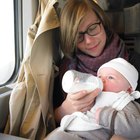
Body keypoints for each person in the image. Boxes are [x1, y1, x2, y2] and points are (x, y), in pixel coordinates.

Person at [47, 0, 140, 139]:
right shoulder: (65, 69)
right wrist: (65, 110)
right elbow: (53, 118)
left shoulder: (132, 62)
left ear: (102, 23)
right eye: (79, 36)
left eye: (92, 28)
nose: (88, 40)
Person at [46, 58, 140, 140]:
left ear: (129, 89)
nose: (102, 80)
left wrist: (105, 115)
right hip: (71, 129)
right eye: (99, 77)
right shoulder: (94, 94)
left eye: (110, 77)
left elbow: (136, 127)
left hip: (93, 135)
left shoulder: (124, 101)